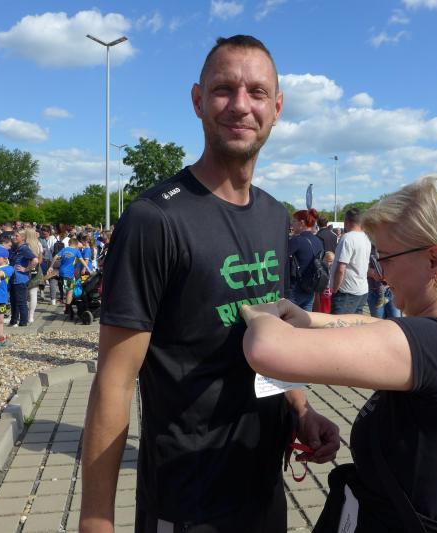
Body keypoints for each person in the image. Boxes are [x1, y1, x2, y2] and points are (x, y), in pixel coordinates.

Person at [80, 35, 340, 533]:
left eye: (257, 92)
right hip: (188, 497)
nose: (240, 105)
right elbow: (114, 381)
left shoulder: (273, 214)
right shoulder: (154, 219)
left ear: (277, 107)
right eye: (224, 89)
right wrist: (96, 521)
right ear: (198, 100)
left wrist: (302, 410)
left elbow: (272, 335)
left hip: (263, 486)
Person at [240, 174, 437, 532]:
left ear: (434, 261)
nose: (379, 275)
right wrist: (308, 318)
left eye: (384, 260)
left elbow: (266, 349)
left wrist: (261, 314)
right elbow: (372, 326)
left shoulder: (436, 345)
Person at [329, 207, 371, 315]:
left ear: (346, 221)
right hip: (362, 290)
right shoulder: (366, 238)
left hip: (346, 292)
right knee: (355, 323)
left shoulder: (347, 238)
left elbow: (341, 268)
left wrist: (335, 288)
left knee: (340, 324)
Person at [288, 208, 325, 311]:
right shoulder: (318, 241)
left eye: (294, 221)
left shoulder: (297, 240)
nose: (291, 224)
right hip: (311, 286)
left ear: (302, 223)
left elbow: (281, 259)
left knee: (289, 318)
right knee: (305, 317)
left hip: (296, 287)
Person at [47, 238, 90, 314]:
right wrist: (88, 268)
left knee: (68, 290)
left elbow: (55, 257)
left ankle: (68, 307)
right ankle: (68, 308)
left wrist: (51, 266)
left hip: (61, 272)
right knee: (70, 291)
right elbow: (82, 261)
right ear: (76, 244)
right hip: (68, 274)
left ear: (69, 243)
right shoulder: (76, 251)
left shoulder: (64, 249)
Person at [9, 229, 38, 327]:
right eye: (14, 235)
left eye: (16, 236)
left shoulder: (24, 249)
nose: (14, 237)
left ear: (23, 238)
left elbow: (35, 260)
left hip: (20, 279)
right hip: (14, 278)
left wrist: (26, 269)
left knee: (21, 301)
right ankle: (13, 321)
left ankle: (23, 322)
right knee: (14, 300)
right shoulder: (17, 248)